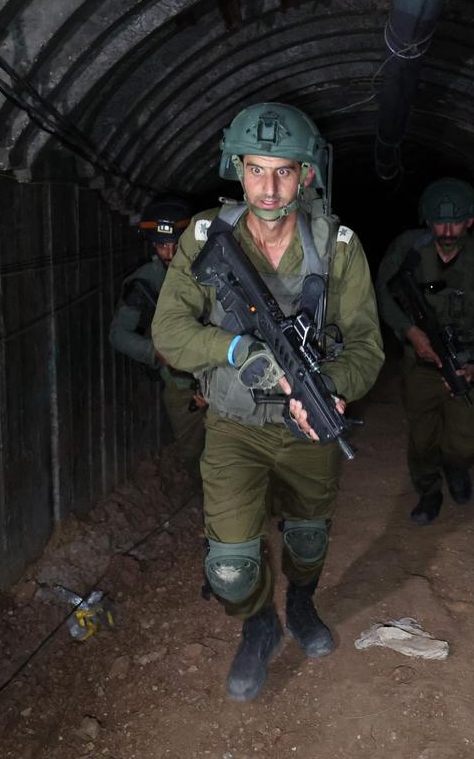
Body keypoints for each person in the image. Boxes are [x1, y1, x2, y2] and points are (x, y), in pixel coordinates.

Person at [150, 102, 384, 701]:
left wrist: (328, 390)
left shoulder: (337, 246)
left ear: (306, 174)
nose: (271, 187)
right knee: (231, 569)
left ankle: (301, 605)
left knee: (307, 540)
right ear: (238, 168)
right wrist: (238, 352)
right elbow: (169, 332)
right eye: (257, 170)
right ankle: (259, 625)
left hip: (307, 430)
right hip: (233, 427)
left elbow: (367, 348)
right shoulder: (206, 236)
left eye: (285, 171)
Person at [374, 178, 474, 525]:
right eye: (440, 222)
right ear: (428, 220)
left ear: (470, 221)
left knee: (465, 441)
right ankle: (429, 490)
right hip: (420, 365)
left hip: (464, 364)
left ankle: (456, 468)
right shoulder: (409, 249)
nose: (448, 230)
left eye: (456, 222)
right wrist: (410, 331)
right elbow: (383, 290)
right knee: (422, 438)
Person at [109, 196, 206, 480]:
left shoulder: (211, 271)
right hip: (181, 386)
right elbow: (118, 334)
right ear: (153, 244)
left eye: (177, 245)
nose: (171, 253)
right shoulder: (145, 282)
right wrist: (156, 353)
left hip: (223, 381)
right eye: (164, 246)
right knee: (194, 455)